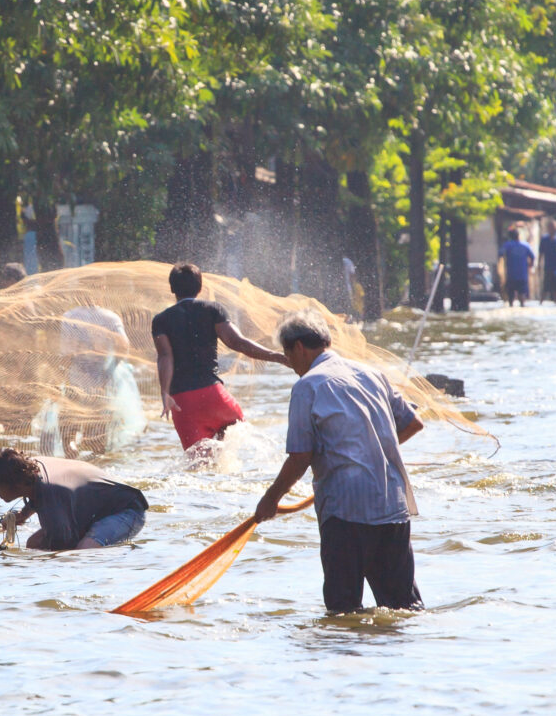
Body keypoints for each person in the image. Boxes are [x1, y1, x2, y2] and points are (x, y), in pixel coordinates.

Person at [253, 313, 425, 613]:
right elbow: (413, 423)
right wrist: (373, 448)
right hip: (392, 506)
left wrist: (270, 500)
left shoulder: (308, 386)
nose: (290, 364)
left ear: (299, 348)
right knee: (403, 609)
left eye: (287, 356)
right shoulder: (371, 373)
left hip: (346, 512)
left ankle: (344, 660)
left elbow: (300, 457)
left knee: (342, 612)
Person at [150, 262, 282, 450]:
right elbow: (238, 342)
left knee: (197, 464)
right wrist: (277, 356)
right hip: (213, 395)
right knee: (236, 430)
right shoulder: (213, 310)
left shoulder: (161, 320)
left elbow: (165, 357)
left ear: (172, 288)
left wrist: (164, 393)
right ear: (200, 287)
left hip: (182, 401)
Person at [0, 447, 149, 549]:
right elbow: (37, 493)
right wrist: (23, 514)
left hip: (127, 511)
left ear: (16, 484)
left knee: (83, 551)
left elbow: (63, 550)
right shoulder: (30, 471)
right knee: (33, 544)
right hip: (94, 509)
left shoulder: (51, 494)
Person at [498, 229, 534, 307]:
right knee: (522, 295)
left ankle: (511, 306)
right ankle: (522, 306)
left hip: (511, 275)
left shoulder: (508, 245)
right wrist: (530, 265)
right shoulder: (525, 245)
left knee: (511, 297)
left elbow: (500, 253)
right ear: (518, 236)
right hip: (522, 275)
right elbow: (532, 257)